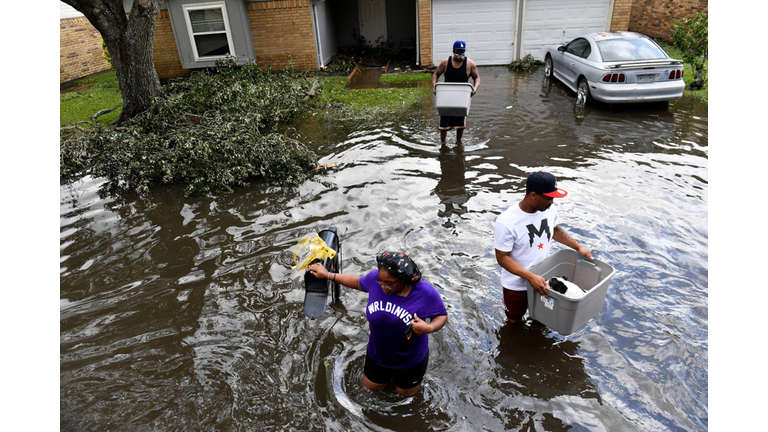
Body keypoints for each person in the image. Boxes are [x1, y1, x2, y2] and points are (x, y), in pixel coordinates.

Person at [306, 251, 448, 397]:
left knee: (404, 399)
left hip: (410, 362)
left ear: (404, 280)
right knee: (367, 391)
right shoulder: (375, 280)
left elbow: (441, 315)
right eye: (381, 281)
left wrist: (429, 328)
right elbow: (357, 282)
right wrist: (328, 275)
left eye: (389, 283)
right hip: (378, 355)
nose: (383, 286)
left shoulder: (424, 292)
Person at [493, 171, 593, 323]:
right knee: (514, 320)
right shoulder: (507, 221)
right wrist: (530, 277)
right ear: (533, 195)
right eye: (549, 197)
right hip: (516, 285)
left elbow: (554, 230)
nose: (552, 202)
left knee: (542, 318)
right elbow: (502, 257)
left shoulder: (549, 209)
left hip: (543, 279)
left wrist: (578, 248)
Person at [432, 40, 481, 143]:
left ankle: (458, 143)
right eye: (458, 51)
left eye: (462, 52)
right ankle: (443, 144)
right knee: (444, 121)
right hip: (446, 96)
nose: (460, 54)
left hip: (461, 97)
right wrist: (434, 87)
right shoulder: (446, 62)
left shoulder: (470, 64)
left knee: (460, 123)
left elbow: (476, 77)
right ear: (453, 50)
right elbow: (436, 74)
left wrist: (475, 88)